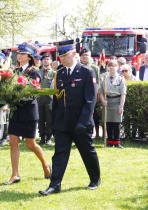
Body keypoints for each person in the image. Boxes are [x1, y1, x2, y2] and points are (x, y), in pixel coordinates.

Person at [39, 40, 100, 196]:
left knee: (87, 151)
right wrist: (54, 122)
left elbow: (90, 101)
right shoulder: (59, 73)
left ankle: (95, 179)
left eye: (65, 55)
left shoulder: (87, 72)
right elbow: (57, 100)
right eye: (60, 56)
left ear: (74, 54)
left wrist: (83, 122)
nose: (61, 59)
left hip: (80, 121)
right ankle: (55, 184)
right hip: (62, 122)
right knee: (60, 153)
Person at [3, 42, 51, 185]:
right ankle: (15, 174)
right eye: (19, 53)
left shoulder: (34, 72)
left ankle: (45, 164)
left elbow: (34, 92)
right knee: (13, 142)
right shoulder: (14, 71)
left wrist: (19, 96)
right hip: (15, 111)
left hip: (29, 111)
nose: (19, 55)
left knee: (31, 144)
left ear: (29, 57)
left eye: (23, 54)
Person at [99, 60, 126, 148]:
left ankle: (117, 142)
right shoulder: (104, 79)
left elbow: (123, 94)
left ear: (117, 67)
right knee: (109, 123)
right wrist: (103, 100)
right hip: (107, 102)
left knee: (116, 123)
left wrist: (121, 106)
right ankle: (110, 141)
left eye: (113, 66)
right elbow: (101, 92)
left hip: (117, 102)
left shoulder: (121, 79)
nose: (111, 67)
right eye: (110, 66)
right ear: (108, 68)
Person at [79, 47, 101, 137]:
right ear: (80, 57)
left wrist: (95, 95)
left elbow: (97, 83)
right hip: (80, 95)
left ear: (90, 56)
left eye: (87, 55)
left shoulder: (94, 68)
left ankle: (90, 133)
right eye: (83, 55)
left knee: (90, 114)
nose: (85, 57)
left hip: (90, 95)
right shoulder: (77, 66)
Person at [37, 53, 55, 146]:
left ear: (51, 60)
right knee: (40, 119)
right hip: (39, 98)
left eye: (48, 59)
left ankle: (48, 137)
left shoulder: (54, 73)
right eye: (44, 59)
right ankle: (42, 137)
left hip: (49, 99)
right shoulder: (37, 72)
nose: (46, 60)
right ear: (41, 61)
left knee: (49, 119)